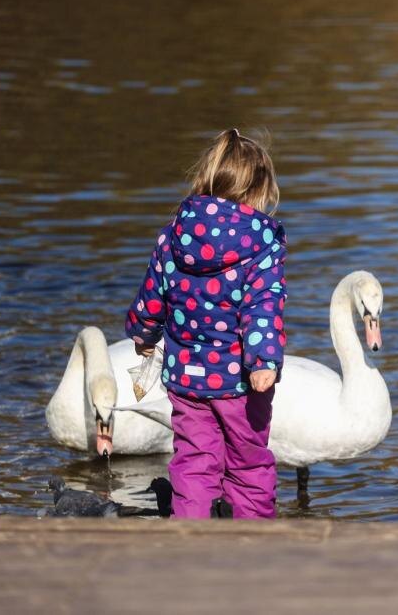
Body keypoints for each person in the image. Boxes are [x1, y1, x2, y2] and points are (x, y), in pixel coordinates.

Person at [125, 128, 286, 519]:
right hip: (240, 383)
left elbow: (152, 297)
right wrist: (264, 360)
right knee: (248, 465)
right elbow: (263, 305)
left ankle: (189, 541)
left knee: (194, 463)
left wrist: (144, 336)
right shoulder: (262, 244)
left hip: (186, 379)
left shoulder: (172, 237)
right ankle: (253, 545)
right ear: (259, 190)